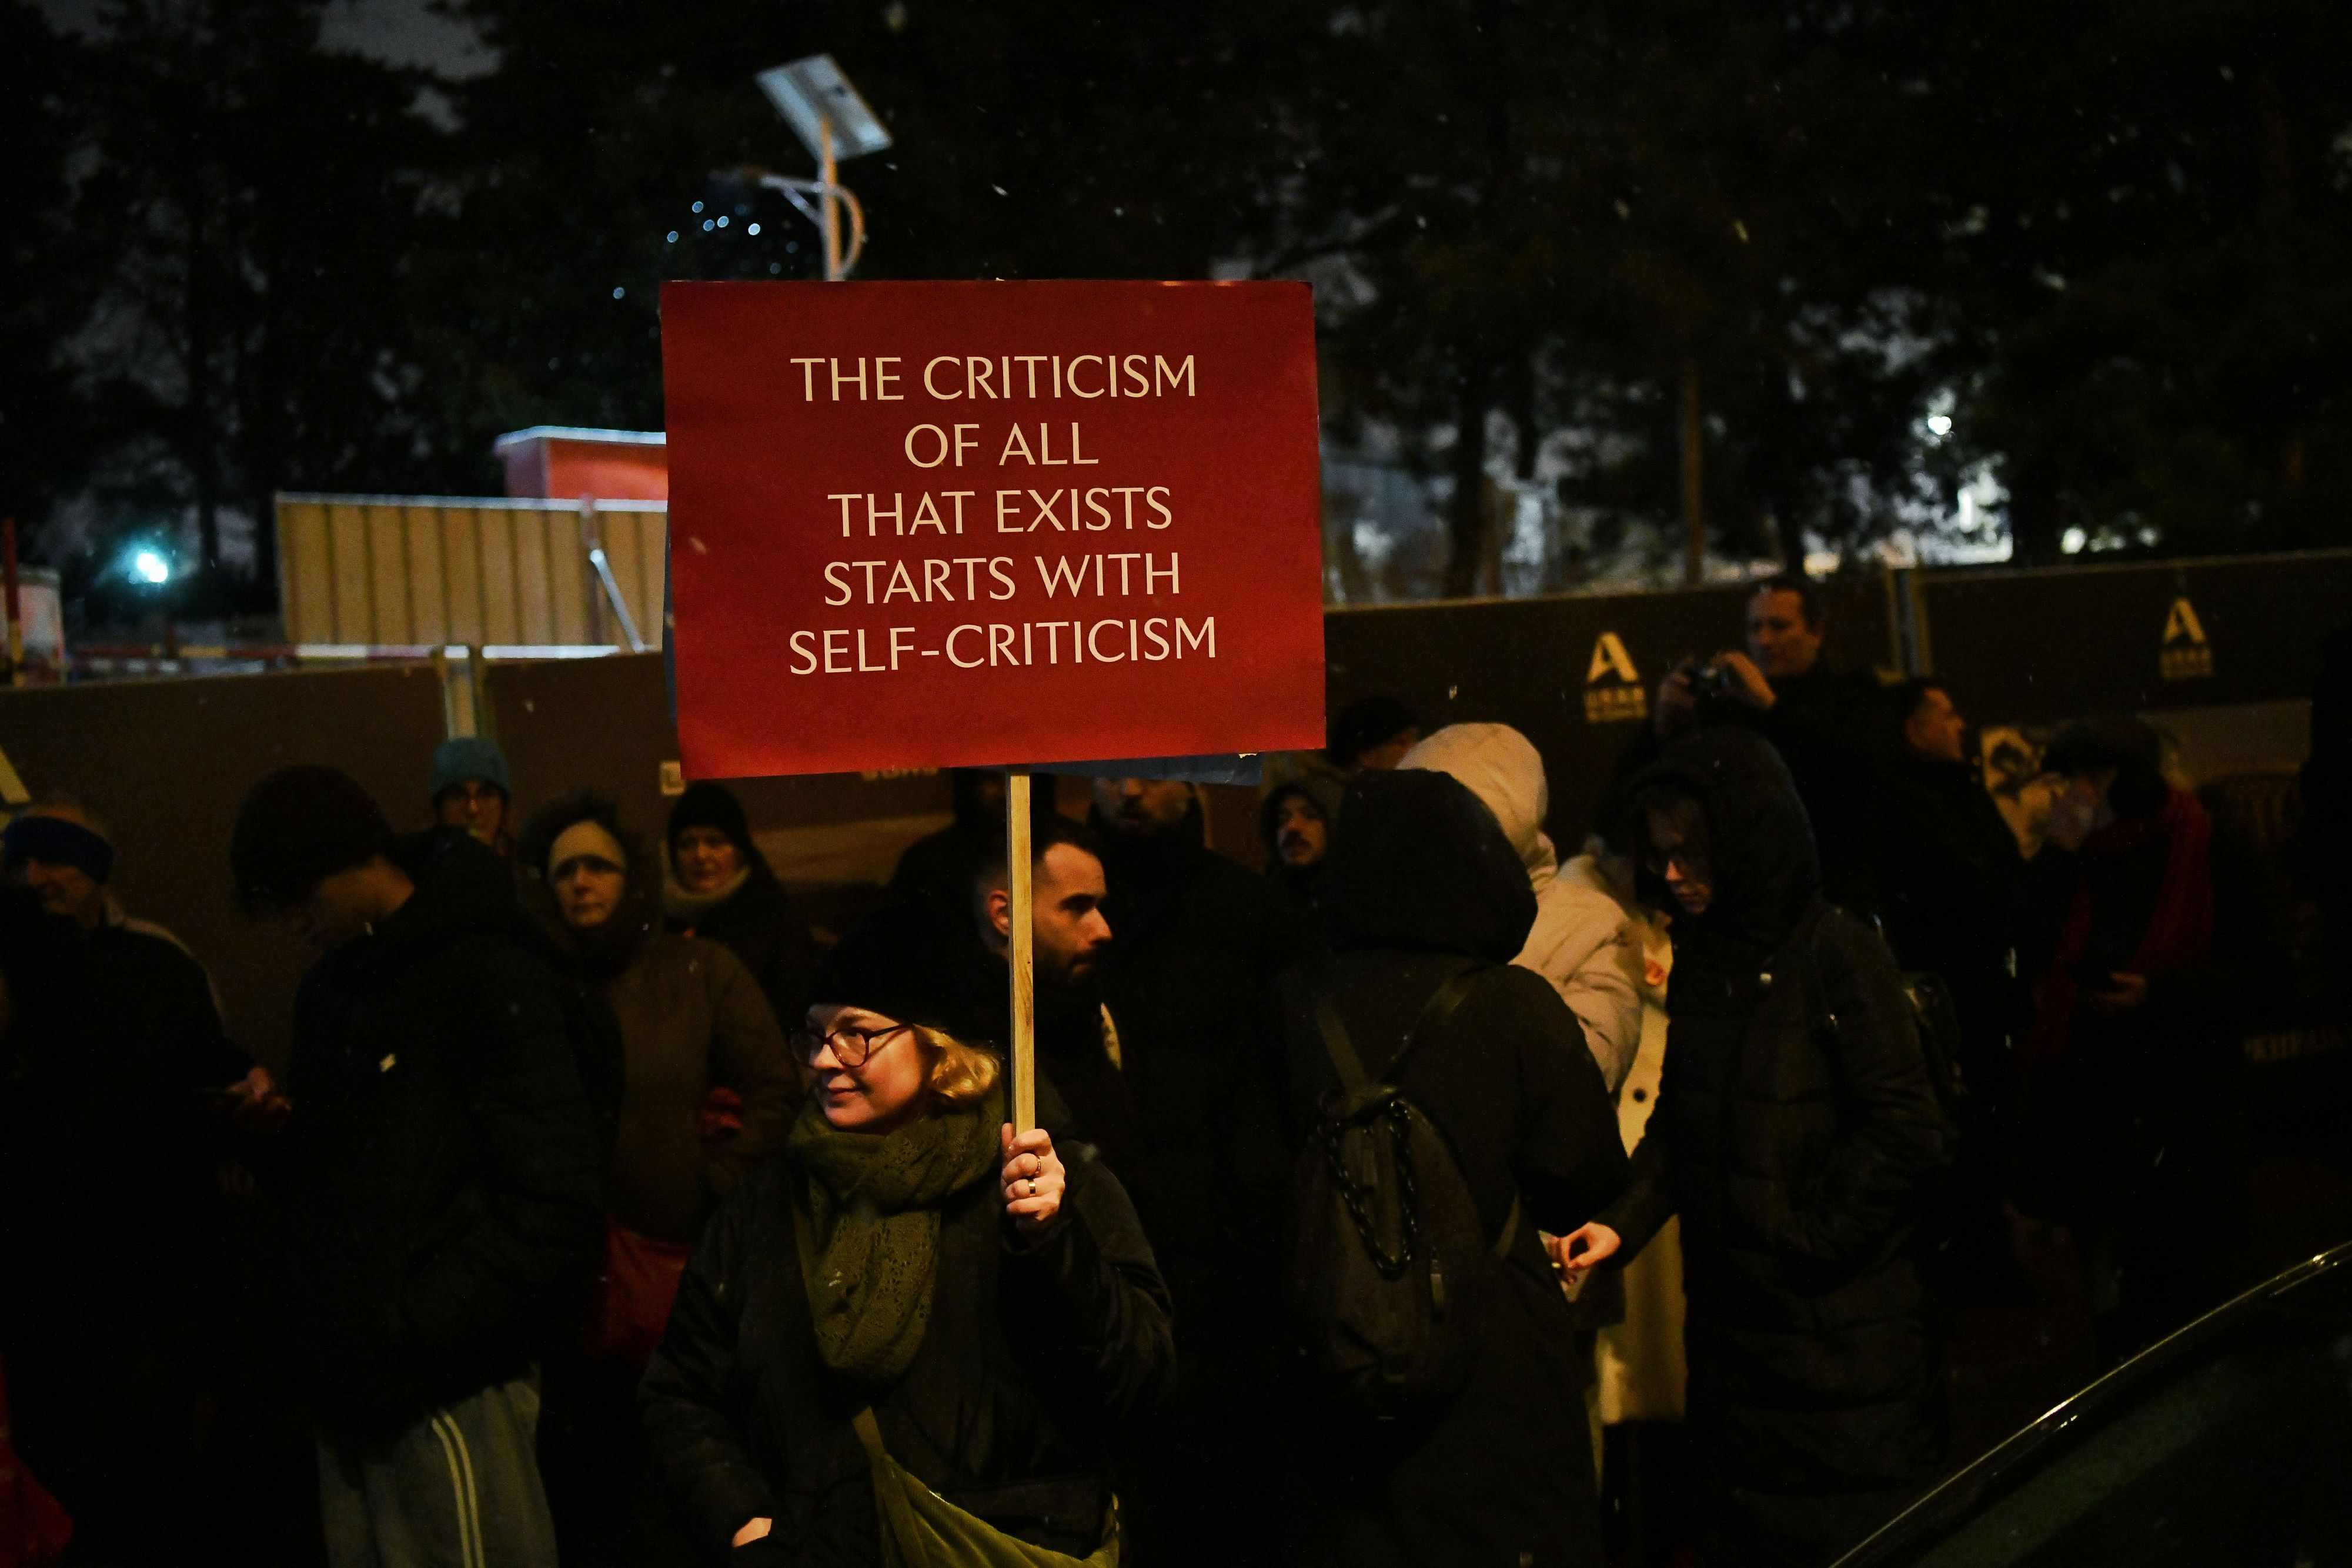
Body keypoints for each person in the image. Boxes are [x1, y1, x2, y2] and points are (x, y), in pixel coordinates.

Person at [639, 902, 1175, 1564]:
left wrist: (1056, 1242)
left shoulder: (1043, 1179)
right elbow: (682, 1390)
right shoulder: (769, 1204)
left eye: (857, 1033)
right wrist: (745, 1521)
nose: (826, 1061)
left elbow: (1140, 1378)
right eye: (813, 1035)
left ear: (938, 1047)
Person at [1559, 728, 1950, 1568]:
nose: (1669, 873)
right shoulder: (1707, 957)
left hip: (1839, 1347)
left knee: (1850, 1538)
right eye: (1658, 852)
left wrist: (1804, 1241)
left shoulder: (1836, 950)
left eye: (1690, 851)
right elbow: (1683, 1120)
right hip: (1738, 1342)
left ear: (1748, 838)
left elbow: (1906, 1127)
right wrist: (1619, 1224)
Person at [226, 765, 603, 1568]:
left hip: (451, 1385)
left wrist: (418, 1327)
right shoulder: (332, 988)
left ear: (357, 859)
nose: (294, 921)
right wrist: (269, 1138)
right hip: (355, 1378)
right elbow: (340, 1177)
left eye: (301, 895)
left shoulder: (488, 967)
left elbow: (553, 1192)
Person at [1268, 765, 1628, 1567]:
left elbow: (1250, 1189)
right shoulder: (1516, 1005)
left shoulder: (1291, 1002)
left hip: (1337, 1372)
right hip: (1498, 1371)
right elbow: (1583, 1172)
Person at [517, 791, 797, 1567]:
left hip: (686, 1271)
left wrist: (712, 1182)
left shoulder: (699, 967)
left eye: (598, 866)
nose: (581, 883)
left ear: (629, 876)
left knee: (691, 1475)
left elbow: (775, 1087)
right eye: (565, 869)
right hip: (571, 1292)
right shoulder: (532, 985)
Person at [0, 855, 247, 1568]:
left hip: (122, 1389)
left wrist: (192, 1373)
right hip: (54, 1397)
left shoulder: (108, 1073)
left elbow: (181, 1229)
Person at [2014, 716, 2284, 1360]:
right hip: (2098, 1093)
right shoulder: (2076, 851)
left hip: (2186, 1092)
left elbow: (2268, 974)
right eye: (2067, 779)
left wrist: (2158, 992)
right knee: (2118, 1287)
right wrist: (2055, 856)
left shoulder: (2208, 842)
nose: (2076, 794)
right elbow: (2025, 935)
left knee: (2197, 1282)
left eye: (2093, 777)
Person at [1085, 774, 1305, 1563]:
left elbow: (1280, 1071)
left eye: (1153, 769)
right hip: (1111, 1222)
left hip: (1226, 1248)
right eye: (1112, 772)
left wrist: (1254, 1211)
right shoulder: (1068, 907)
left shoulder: (1244, 906)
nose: (1131, 788)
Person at [1875, 679, 2027, 1295]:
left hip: (1979, 988)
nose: (1961, 724)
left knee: (1987, 1128)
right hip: (1950, 994)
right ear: (1914, 729)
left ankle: (1983, 1254)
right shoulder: (1906, 802)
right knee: (1964, 1132)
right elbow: (1971, 883)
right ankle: (1971, 1263)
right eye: (1946, 714)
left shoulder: (1955, 791)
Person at [1401, 723, 1646, 1091]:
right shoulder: (1399, 923)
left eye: (1455, 813)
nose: (1437, 835)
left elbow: (1590, 1069)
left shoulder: (1592, 924)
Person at [1635, 573, 1885, 914]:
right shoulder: (1731, 710)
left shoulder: (1855, 694)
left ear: (1817, 632)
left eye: (1779, 627)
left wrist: (1770, 705)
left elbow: (1849, 776)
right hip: (1747, 899)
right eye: (1754, 628)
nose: (1764, 641)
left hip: (1835, 893)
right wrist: (1661, 727)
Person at [663, 780, 818, 1030]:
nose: (701, 856)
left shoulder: (777, 919)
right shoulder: (657, 921)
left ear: (739, 850)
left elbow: (792, 1011)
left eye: (715, 842)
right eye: (687, 844)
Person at [1258, 773, 1341, 934]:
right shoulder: (1264, 910)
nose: (1291, 827)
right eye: (1282, 819)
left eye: (1310, 815)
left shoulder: (1362, 904)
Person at [430, 735, 514, 857]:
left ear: (504, 807)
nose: (473, 810)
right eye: (457, 796)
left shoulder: (526, 868)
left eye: (486, 795)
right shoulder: (417, 870)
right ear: (439, 808)